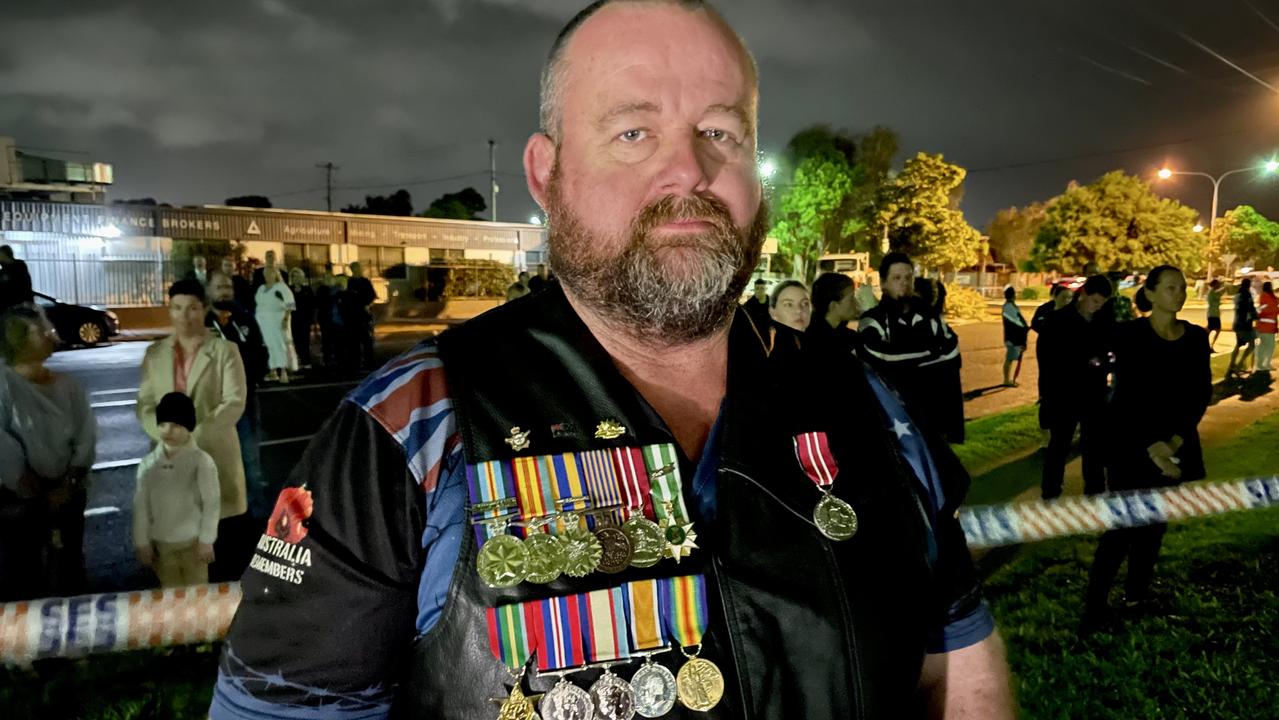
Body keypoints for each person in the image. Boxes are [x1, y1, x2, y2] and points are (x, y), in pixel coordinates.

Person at [211, 2, 1013, 718]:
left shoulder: (866, 404)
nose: (686, 171)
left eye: (720, 133)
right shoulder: (412, 426)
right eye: (633, 133)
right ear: (546, 173)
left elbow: (960, 674)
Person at [1083, 266, 1210, 631]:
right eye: (1170, 287)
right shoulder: (1128, 336)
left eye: (1183, 288)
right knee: (1121, 529)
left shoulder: (1196, 339)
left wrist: (1173, 443)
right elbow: (1126, 398)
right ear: (1150, 294)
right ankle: (1094, 612)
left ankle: (1137, 596)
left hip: (1176, 444)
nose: (1179, 294)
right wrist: (1152, 448)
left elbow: (1199, 395)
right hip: (1129, 445)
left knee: (1154, 526)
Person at [137, 280, 247, 582]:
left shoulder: (225, 350)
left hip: (215, 458)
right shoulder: (155, 354)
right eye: (178, 308)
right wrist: (164, 434)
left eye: (193, 308)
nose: (185, 316)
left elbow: (234, 402)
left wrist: (191, 438)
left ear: (204, 310)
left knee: (221, 554)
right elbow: (145, 403)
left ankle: (223, 624)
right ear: (170, 311)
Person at [0, 306, 95, 600]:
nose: (50, 334)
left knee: (68, 565)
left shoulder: (68, 386)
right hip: (22, 502)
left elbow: (86, 434)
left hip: (68, 495)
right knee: (25, 571)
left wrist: (68, 484)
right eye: (41, 330)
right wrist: (33, 488)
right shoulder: (5, 384)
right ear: (18, 339)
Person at [859, 252, 965, 443]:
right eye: (897, 278)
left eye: (908, 277)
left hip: (933, 421)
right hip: (894, 423)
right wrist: (931, 355)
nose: (904, 283)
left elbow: (953, 353)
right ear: (883, 283)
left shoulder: (930, 316)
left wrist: (908, 362)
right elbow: (882, 358)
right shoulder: (872, 320)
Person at [1036, 274, 1113, 499]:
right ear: (1085, 294)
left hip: (1094, 393)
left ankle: (1095, 490)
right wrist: (1047, 397)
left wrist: (1102, 364)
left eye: (1102, 303)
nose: (1097, 307)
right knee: (1059, 446)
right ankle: (1050, 491)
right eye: (1095, 301)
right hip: (1064, 394)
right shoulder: (1058, 320)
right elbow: (1047, 361)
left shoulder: (1103, 322)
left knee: (1093, 447)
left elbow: (1110, 353)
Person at [133, 391, 221, 588]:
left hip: (192, 543)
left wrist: (207, 539)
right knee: (170, 592)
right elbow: (141, 506)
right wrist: (142, 541)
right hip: (161, 544)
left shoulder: (201, 461)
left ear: (188, 427)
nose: (168, 431)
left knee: (197, 592)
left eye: (176, 425)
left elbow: (211, 502)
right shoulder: (148, 465)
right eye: (163, 424)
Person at [206, 271, 271, 521]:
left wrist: (249, 379)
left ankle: (255, 519)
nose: (225, 291)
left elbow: (260, 355)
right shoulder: (200, 322)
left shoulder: (245, 319)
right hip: (209, 408)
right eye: (219, 286)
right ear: (208, 291)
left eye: (228, 287)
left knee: (249, 463)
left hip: (243, 403)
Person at [255, 266, 297, 384]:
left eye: (270, 273)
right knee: (269, 346)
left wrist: (285, 318)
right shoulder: (261, 288)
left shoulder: (281, 287)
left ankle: (283, 371)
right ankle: (272, 370)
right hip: (264, 322)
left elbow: (290, 304)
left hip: (278, 320)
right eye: (266, 273)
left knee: (280, 344)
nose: (267, 275)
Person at [805, 272, 859, 356]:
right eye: (851, 298)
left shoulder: (844, 335)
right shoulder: (817, 342)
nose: (856, 302)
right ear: (833, 306)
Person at [346, 261, 377, 371]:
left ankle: (369, 362)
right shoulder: (349, 282)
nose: (356, 270)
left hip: (363, 315)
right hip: (352, 315)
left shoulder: (365, 282)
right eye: (354, 268)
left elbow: (372, 296)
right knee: (354, 341)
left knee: (366, 340)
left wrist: (367, 305)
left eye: (357, 268)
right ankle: (356, 362)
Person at [1228, 277, 1257, 378]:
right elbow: (1250, 309)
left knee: (1239, 344)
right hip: (1244, 324)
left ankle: (1232, 365)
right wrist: (1255, 315)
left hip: (1237, 323)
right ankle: (1239, 364)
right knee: (1252, 344)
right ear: (1249, 285)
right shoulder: (1246, 295)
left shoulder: (1238, 295)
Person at [289, 267, 316, 370]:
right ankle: (297, 362)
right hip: (293, 320)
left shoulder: (307, 290)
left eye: (298, 276)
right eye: (294, 276)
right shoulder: (289, 290)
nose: (296, 278)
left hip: (305, 320)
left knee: (304, 341)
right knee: (295, 341)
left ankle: (306, 362)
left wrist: (311, 318)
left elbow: (312, 304)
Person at [1001, 286, 1029, 387]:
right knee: (1009, 359)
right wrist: (1024, 328)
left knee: (1010, 359)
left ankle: (1008, 379)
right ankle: (1006, 380)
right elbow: (1016, 322)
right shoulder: (1009, 307)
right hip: (1012, 338)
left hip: (1012, 337)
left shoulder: (1010, 306)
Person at [0, 244, 34, 312]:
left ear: (5, 254)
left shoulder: (19, 265)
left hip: (21, 305)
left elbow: (21, 285)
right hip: (8, 306)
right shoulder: (3, 271)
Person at [1256, 280, 1277, 372]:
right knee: (1269, 345)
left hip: (1266, 325)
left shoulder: (1265, 296)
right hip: (1267, 325)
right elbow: (1266, 309)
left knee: (1265, 345)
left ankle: (1261, 364)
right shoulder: (1267, 297)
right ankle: (1264, 364)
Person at [1205, 279, 1224, 350]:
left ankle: (1210, 345)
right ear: (1214, 284)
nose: (1219, 285)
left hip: (1215, 314)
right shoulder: (1211, 293)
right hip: (1212, 314)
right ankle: (1209, 345)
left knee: (1214, 329)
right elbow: (1212, 302)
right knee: (1212, 329)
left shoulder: (1214, 292)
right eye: (1218, 284)